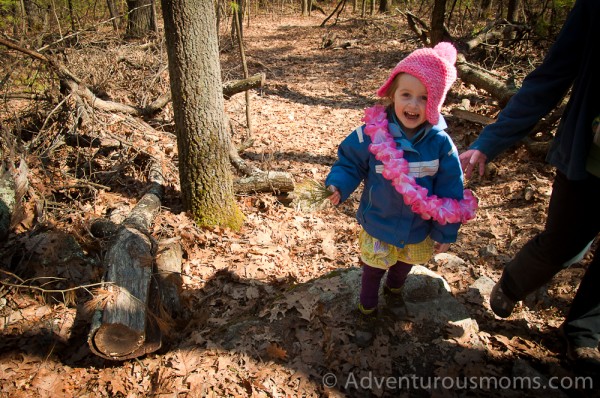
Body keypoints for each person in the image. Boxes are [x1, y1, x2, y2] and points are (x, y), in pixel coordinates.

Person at [459, 0, 600, 372]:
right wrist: (490, 141)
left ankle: (585, 333)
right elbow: (551, 76)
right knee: (565, 244)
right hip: (589, 159)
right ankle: (513, 283)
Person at [325, 42, 477, 346]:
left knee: (404, 264)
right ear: (392, 93)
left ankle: (395, 291)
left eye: (425, 97)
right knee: (373, 269)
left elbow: (451, 191)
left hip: (417, 227)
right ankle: (367, 310)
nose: (414, 105)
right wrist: (338, 185)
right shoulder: (370, 133)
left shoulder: (441, 144)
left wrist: (446, 232)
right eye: (406, 94)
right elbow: (349, 162)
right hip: (380, 222)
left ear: (436, 102)